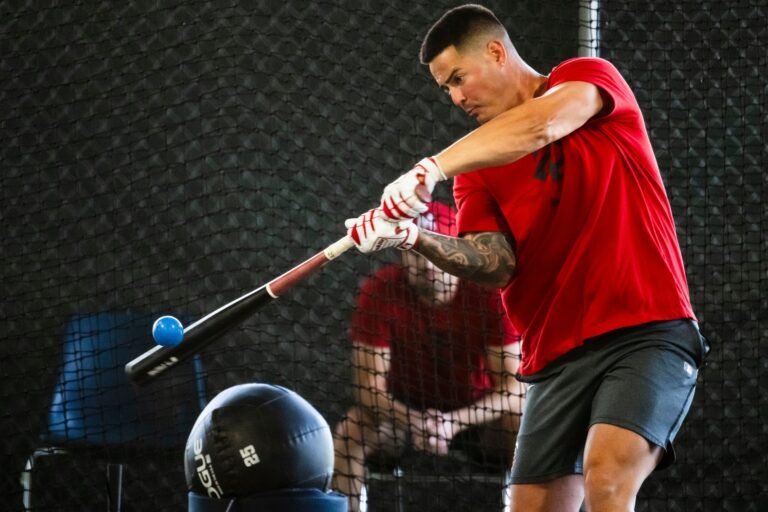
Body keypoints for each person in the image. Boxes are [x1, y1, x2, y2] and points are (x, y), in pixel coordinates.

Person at [343, 5, 710, 512]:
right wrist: (412, 238)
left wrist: (430, 169)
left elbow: (541, 126)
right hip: (555, 358)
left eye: (458, 78)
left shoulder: (588, 79)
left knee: (606, 482)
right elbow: (495, 264)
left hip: (643, 332)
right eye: (445, 88)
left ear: (496, 52)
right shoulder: (478, 171)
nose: (455, 97)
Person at [333, 201, 524, 512]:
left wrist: (452, 422)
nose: (427, 265)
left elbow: (514, 391)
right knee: (352, 430)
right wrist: (417, 421)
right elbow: (368, 389)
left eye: (436, 250)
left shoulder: (488, 292)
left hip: (478, 417)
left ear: (456, 251)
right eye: (416, 252)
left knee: (526, 427)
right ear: (402, 253)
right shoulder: (380, 290)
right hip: (402, 415)